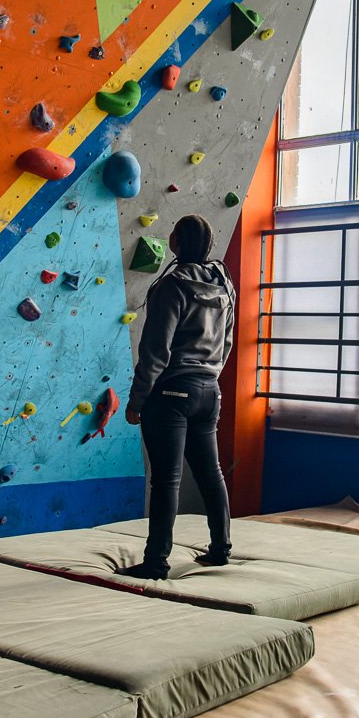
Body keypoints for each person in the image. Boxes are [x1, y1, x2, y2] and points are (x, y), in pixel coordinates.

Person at [118, 214, 237, 580]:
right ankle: (220, 550)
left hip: (171, 391)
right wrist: (210, 377)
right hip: (208, 389)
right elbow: (227, 340)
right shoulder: (224, 286)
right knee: (211, 474)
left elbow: (155, 350)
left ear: (176, 243)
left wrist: (137, 401)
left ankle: (156, 563)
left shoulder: (172, 285)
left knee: (166, 480)